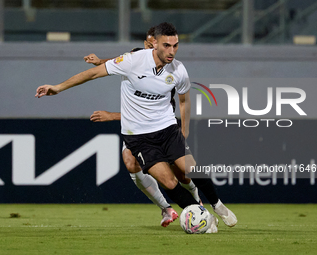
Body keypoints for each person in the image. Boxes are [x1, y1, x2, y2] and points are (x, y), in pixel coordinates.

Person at [35, 22, 237, 231]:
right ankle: (200, 216)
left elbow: (184, 100)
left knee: (191, 170)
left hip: (167, 129)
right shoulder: (133, 61)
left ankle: (218, 205)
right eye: (167, 45)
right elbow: (93, 73)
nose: (172, 51)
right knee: (168, 182)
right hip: (139, 137)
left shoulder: (178, 69)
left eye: (175, 46)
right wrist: (57, 87)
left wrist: (184, 129)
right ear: (154, 45)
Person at [83, 27, 202, 228]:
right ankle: (166, 208)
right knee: (131, 162)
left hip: (162, 127)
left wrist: (112, 116)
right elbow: (121, 61)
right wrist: (101, 61)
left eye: (150, 44)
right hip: (138, 131)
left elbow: (171, 105)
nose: (147, 48)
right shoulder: (138, 59)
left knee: (181, 174)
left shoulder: (170, 70)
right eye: (146, 44)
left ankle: (197, 203)